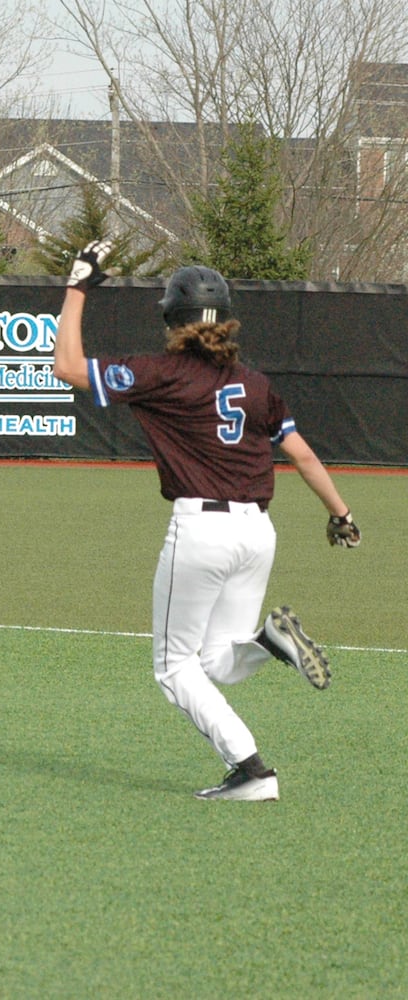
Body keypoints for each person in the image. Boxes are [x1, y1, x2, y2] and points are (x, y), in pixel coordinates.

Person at [53, 241, 360, 802]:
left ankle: (252, 770)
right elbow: (304, 457)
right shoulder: (258, 384)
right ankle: (270, 641)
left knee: (174, 668)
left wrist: (77, 288)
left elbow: (68, 367)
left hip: (203, 529)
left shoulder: (162, 374)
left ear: (172, 319)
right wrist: (340, 514)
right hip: (257, 532)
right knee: (219, 660)